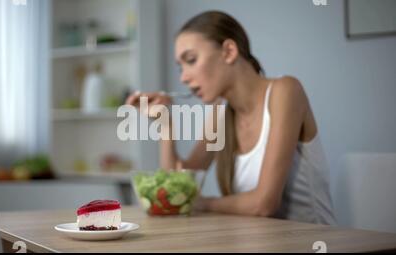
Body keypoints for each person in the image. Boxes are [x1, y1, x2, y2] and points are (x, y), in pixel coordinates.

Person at [125, 11, 336, 225]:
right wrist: (165, 125)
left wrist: (202, 202)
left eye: (191, 60)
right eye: (181, 67)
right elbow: (175, 187)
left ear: (228, 51)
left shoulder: (285, 91)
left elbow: (264, 204)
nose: (184, 77)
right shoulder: (221, 113)